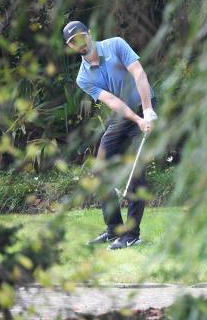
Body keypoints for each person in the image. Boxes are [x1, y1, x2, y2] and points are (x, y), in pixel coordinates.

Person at [63, 20, 157, 250]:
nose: (80, 43)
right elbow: (112, 101)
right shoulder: (83, 77)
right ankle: (114, 228)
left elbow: (139, 74)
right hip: (122, 113)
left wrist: (147, 111)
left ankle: (132, 234)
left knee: (136, 171)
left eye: (81, 37)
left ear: (90, 34)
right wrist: (136, 120)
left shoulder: (115, 45)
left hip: (144, 104)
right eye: (73, 42)